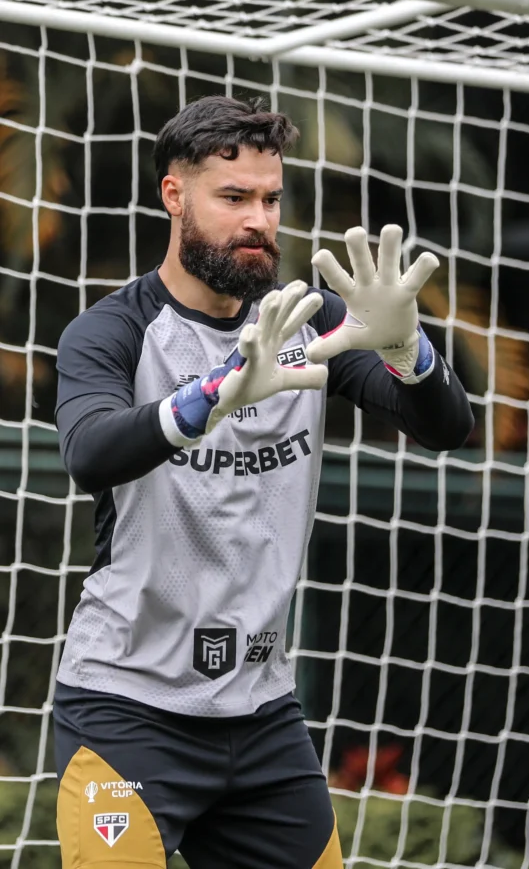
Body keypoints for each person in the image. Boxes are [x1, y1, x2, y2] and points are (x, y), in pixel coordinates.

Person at [53, 94, 474, 869]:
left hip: (261, 718)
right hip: (126, 709)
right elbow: (90, 451)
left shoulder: (309, 325)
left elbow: (446, 426)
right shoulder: (113, 331)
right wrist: (214, 396)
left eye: (270, 199)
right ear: (174, 195)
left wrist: (409, 349)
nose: (257, 221)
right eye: (234, 197)